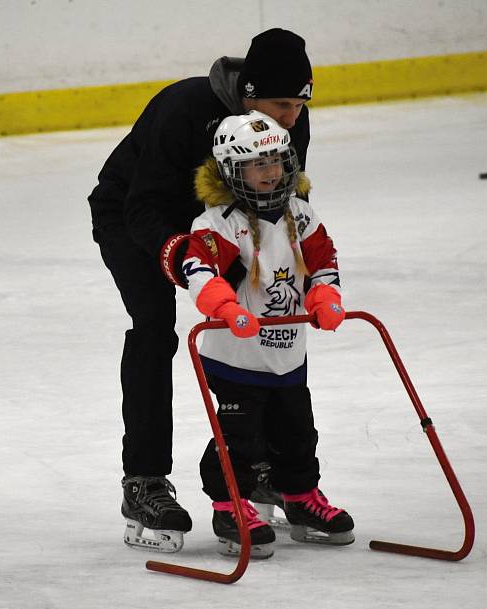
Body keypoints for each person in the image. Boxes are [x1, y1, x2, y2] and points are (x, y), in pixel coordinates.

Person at [87, 28, 314, 552]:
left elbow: (285, 199)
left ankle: (260, 466)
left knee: (265, 323)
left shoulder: (289, 122)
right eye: (281, 104)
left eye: (300, 106)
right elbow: (141, 206)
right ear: (249, 93)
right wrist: (187, 262)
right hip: (135, 218)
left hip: (223, 225)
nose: (291, 119)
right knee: (155, 329)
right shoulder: (185, 107)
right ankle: (144, 480)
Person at [180, 110, 355, 558]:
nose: (272, 172)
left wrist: (325, 297)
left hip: (288, 352)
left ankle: (299, 498)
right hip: (236, 356)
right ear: (231, 170)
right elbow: (197, 267)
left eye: (277, 161)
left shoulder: (300, 213)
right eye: (259, 165)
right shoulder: (216, 223)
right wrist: (224, 306)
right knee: (240, 437)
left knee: (297, 430)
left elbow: (323, 260)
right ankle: (228, 504)